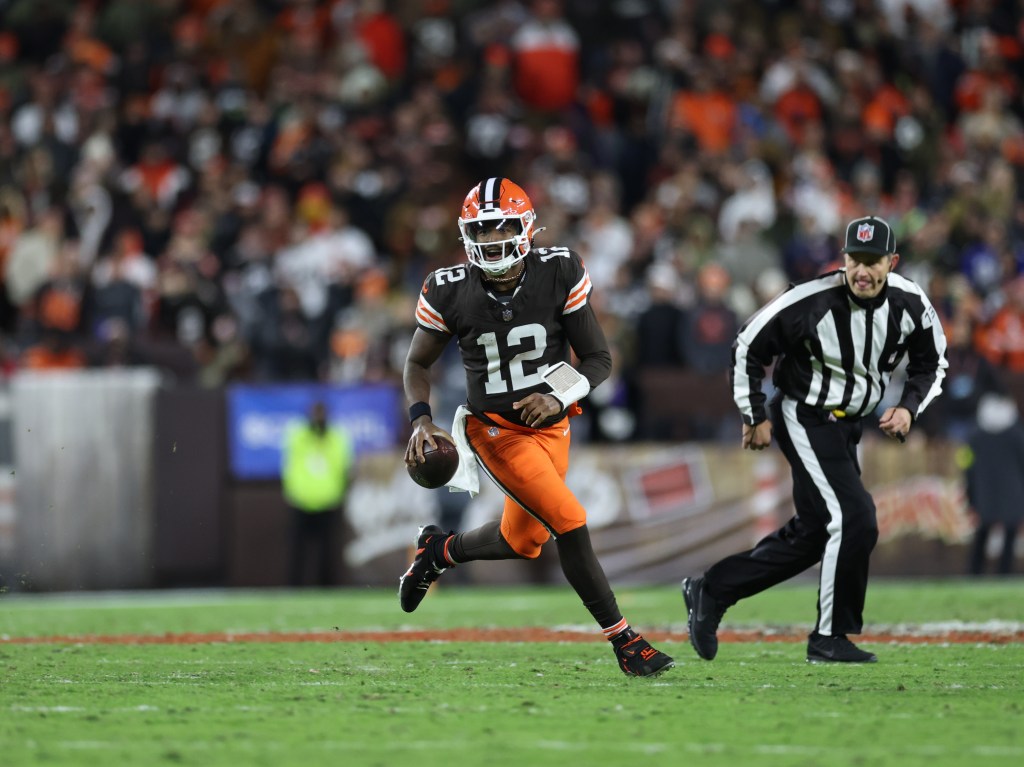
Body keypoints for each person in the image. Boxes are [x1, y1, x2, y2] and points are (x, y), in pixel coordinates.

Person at [400, 177, 673, 677]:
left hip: (552, 424)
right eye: (480, 231)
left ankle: (438, 550)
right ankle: (626, 641)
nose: (490, 240)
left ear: (526, 228)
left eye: (500, 227)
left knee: (523, 541)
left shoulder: (559, 270)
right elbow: (416, 364)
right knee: (569, 518)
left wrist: (556, 396)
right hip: (495, 430)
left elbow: (598, 358)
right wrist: (421, 420)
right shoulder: (448, 288)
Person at [682, 215, 948, 663]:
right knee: (855, 517)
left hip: (848, 427)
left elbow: (933, 361)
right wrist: (754, 414)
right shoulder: (810, 299)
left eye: (873, 261)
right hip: (805, 415)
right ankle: (829, 636)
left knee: (813, 534)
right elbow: (748, 344)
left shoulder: (909, 302)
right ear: (842, 260)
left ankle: (713, 589)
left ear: (892, 261)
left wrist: (908, 407)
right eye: (854, 259)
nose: (862, 271)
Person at [281, 401, 355, 586]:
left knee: (327, 550)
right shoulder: (298, 435)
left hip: (328, 499)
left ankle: (326, 587)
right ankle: (294, 587)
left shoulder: (337, 437)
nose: (318, 418)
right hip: (302, 499)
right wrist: (292, 491)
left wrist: (338, 492)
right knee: (297, 550)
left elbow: (344, 466)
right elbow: (289, 465)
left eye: (321, 413)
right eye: (315, 413)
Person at [962, 392, 1024, 576]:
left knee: (982, 532)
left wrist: (970, 492)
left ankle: (974, 573)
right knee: (1009, 531)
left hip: (984, 489)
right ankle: (1004, 573)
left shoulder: (975, 434)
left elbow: (967, 464)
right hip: (1013, 490)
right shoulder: (1016, 434)